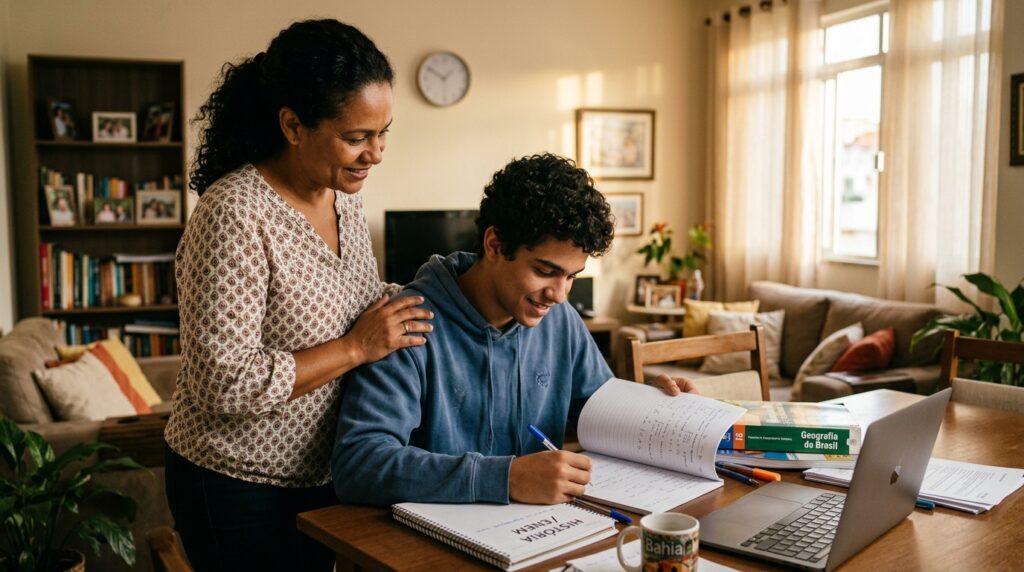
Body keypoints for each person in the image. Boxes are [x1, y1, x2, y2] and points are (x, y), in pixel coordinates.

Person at [163, 19, 431, 572]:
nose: (375, 153)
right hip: (235, 483)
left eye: (383, 133)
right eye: (356, 137)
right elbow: (224, 380)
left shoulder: (343, 197)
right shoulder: (234, 214)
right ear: (292, 125)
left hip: (324, 471)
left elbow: (359, 295)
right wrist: (357, 348)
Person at [331, 154, 696, 507]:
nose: (558, 294)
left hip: (540, 533)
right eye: (545, 271)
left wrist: (656, 410)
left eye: (571, 276)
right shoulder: (407, 324)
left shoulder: (561, 318)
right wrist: (505, 478)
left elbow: (597, 414)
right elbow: (360, 464)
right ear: (495, 245)